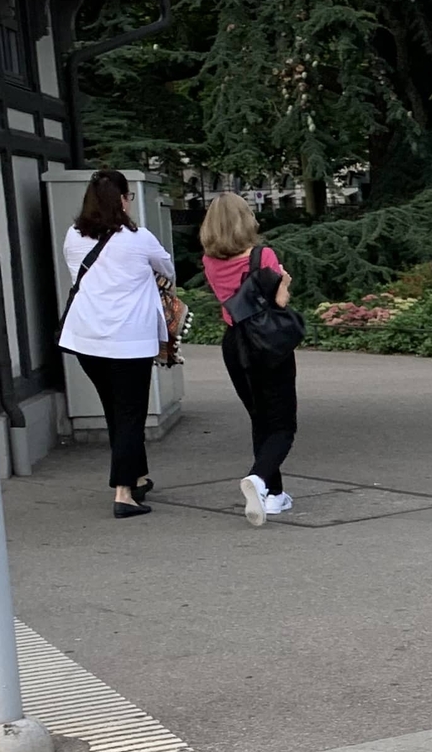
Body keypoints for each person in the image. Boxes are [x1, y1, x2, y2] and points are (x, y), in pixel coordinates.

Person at [58, 169, 175, 519]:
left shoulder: (73, 236)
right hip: (129, 341)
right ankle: (124, 492)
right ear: (123, 200)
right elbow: (167, 271)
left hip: (86, 339)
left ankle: (136, 476)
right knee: (130, 414)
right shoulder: (139, 239)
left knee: (117, 412)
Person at [197, 193, 299, 524]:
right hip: (267, 343)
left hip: (234, 344)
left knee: (260, 417)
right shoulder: (262, 255)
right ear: (246, 219)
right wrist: (283, 287)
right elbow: (276, 303)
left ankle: (273, 496)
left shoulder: (209, 261)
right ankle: (257, 478)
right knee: (283, 424)